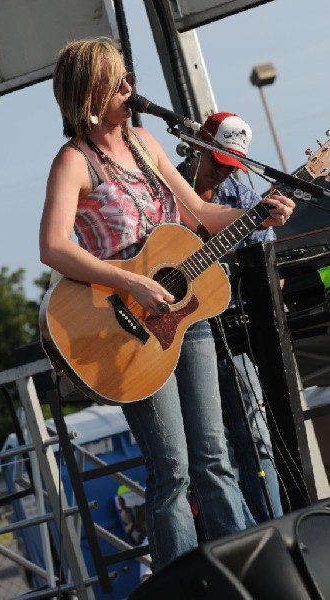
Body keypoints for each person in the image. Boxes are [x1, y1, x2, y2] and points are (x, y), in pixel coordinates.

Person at [39, 37, 295, 572]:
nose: (130, 88)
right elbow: (53, 246)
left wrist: (260, 215)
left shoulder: (146, 143)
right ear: (89, 92)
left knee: (214, 455)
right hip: (124, 326)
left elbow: (199, 213)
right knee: (172, 469)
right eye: (116, 81)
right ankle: (184, 583)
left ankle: (249, 572)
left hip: (185, 316)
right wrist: (129, 284)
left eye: (127, 77)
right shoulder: (72, 163)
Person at [176, 112, 284, 523]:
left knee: (255, 440)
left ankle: (270, 530)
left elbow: (268, 276)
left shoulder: (243, 197)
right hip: (177, 335)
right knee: (202, 455)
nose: (223, 174)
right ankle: (235, 538)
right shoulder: (165, 189)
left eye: (232, 167)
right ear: (198, 148)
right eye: (218, 163)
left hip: (232, 332)